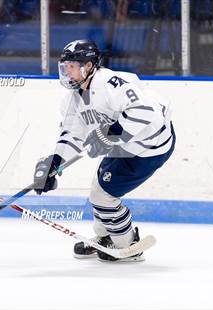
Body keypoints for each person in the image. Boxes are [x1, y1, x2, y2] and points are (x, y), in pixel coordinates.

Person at [33, 40, 175, 262]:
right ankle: (105, 237)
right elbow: (72, 134)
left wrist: (108, 135)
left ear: (89, 66)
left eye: (72, 66)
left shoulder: (112, 83)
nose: (67, 72)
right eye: (65, 66)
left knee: (103, 195)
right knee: (99, 188)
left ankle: (128, 245)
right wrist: (54, 163)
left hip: (149, 146)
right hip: (125, 145)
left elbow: (145, 112)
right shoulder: (73, 99)